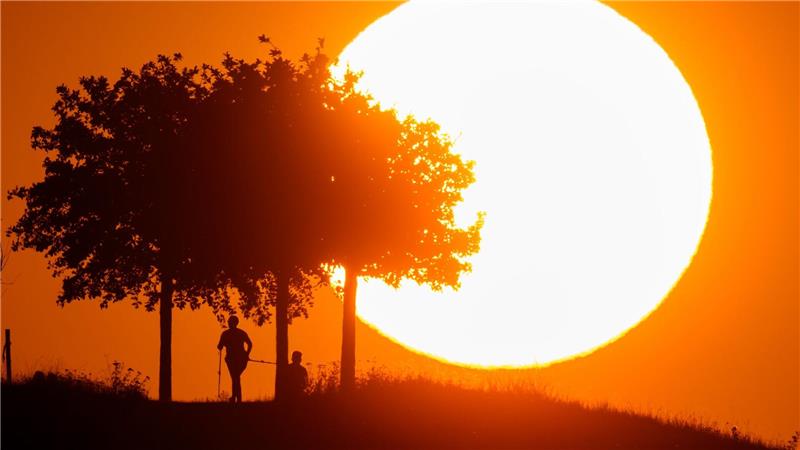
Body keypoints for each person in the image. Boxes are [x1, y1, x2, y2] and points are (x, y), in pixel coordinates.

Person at [217, 315, 252, 403]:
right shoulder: (241, 333)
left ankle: (236, 398)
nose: (228, 323)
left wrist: (246, 355)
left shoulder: (225, 334)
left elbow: (219, 346)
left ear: (233, 323)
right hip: (240, 359)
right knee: (236, 377)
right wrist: (246, 355)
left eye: (229, 322)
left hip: (234, 359)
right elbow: (250, 344)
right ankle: (236, 398)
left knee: (235, 377)